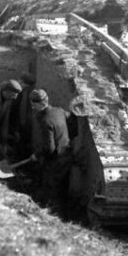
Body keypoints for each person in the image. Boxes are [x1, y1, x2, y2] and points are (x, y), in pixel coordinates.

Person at [30, 89, 73, 217]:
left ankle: (55, 217)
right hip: (67, 155)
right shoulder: (59, 111)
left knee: (52, 189)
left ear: (40, 104)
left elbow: (49, 149)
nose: (32, 106)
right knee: (63, 189)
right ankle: (65, 214)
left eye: (33, 104)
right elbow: (70, 118)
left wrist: (36, 155)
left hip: (56, 161)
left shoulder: (46, 121)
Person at [12, 72, 37, 159]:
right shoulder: (25, 91)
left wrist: (20, 126)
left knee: (23, 145)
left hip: (24, 125)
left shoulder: (27, 93)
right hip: (22, 124)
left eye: (20, 81)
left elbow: (23, 111)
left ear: (23, 82)